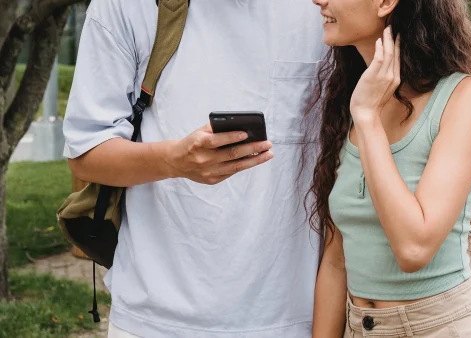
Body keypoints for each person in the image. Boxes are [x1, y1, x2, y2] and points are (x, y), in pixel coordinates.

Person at [62, 0, 326, 337]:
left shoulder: (328, 7)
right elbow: (85, 152)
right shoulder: (126, 5)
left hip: (297, 317)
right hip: (153, 319)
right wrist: (174, 160)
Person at [308, 0, 471, 337]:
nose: (318, 0)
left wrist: (368, 118)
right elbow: (335, 260)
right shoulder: (351, 101)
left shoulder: (465, 97)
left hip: (440, 326)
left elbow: (414, 249)